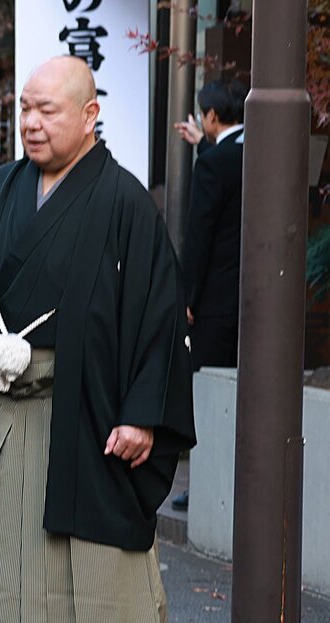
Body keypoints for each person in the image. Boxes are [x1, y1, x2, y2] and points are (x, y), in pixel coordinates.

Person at [0, 56, 196, 622]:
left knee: (89, 580)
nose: (31, 122)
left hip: (84, 414)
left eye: (47, 110)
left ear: (90, 114)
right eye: (25, 108)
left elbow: (159, 315)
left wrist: (143, 413)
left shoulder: (124, 201)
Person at [170, 79, 247, 513]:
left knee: (210, 395)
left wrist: (187, 296)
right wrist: (206, 146)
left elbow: (199, 235)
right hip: (256, 300)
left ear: (211, 117)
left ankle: (205, 488)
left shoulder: (214, 164)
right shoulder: (259, 150)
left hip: (215, 302)